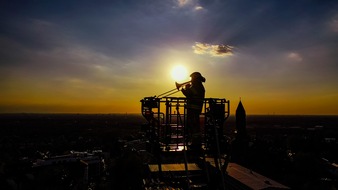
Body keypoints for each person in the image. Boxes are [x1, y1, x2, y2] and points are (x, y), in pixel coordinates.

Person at [181, 72, 206, 150]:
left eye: (192, 78)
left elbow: (188, 94)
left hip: (194, 108)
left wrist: (184, 88)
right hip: (194, 108)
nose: (191, 80)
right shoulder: (198, 86)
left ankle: (196, 142)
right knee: (193, 125)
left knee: (194, 125)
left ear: (195, 78)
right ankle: (194, 141)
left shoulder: (196, 86)